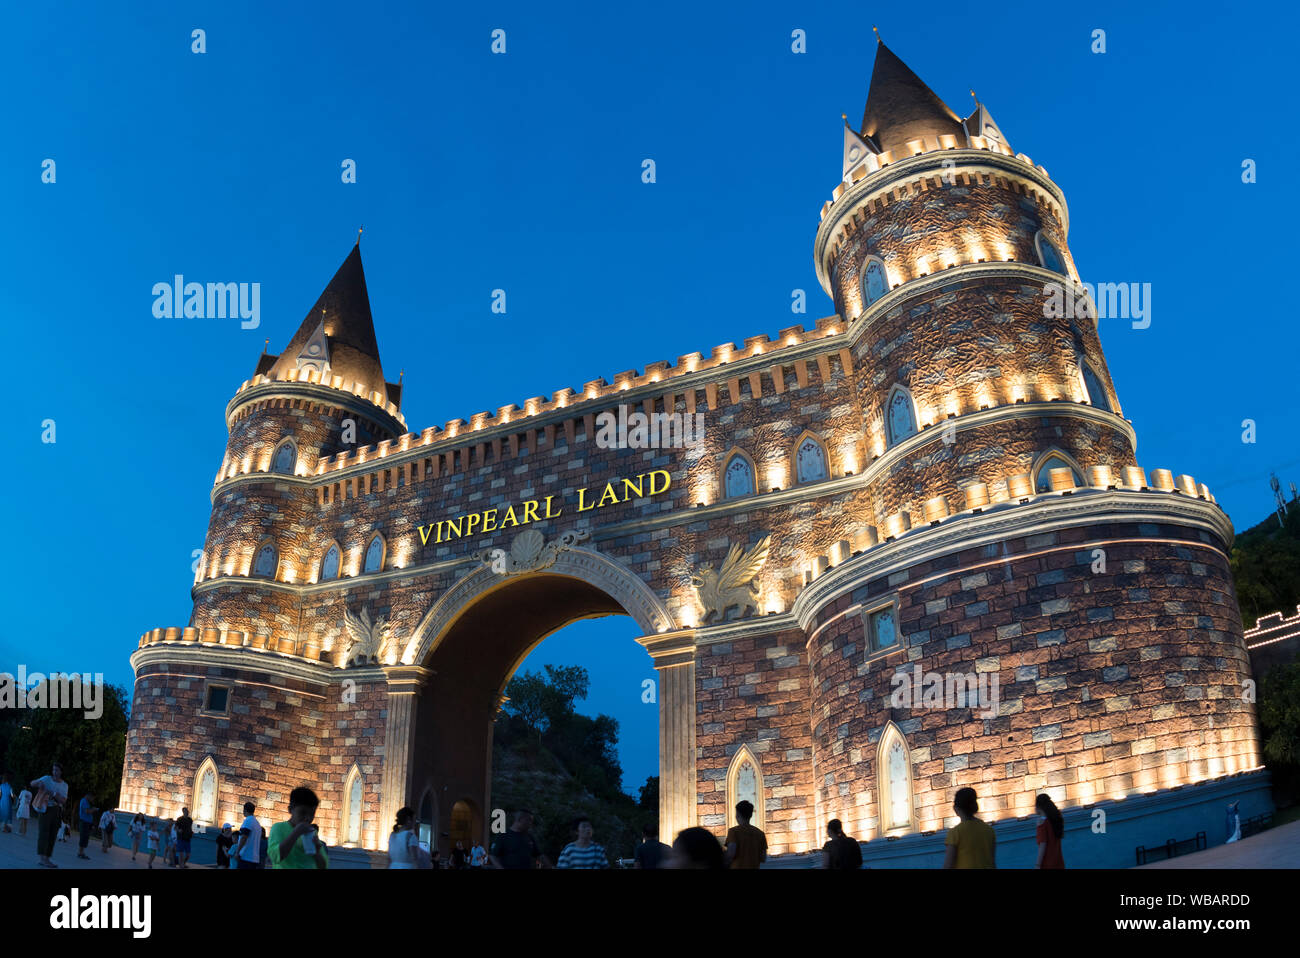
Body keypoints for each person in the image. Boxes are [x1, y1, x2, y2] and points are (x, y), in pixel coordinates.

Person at [267, 787, 329, 869]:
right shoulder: (278, 828)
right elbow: (275, 857)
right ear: (290, 809)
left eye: (312, 814)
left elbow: (323, 866)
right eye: (302, 812)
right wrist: (296, 833)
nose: (307, 818)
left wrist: (317, 852)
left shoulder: (312, 832)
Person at [943, 787, 995, 869]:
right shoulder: (989, 830)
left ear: (956, 809)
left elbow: (948, 865)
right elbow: (992, 862)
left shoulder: (955, 833)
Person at [31, 762, 69, 868]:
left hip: (56, 810)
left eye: (57, 770)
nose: (55, 772)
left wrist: (53, 793)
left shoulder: (64, 785)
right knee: (44, 833)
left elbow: (63, 800)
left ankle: (47, 858)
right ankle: (42, 859)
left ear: (61, 772)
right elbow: (32, 783)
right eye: (53, 770)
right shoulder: (47, 778)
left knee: (53, 835)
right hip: (45, 809)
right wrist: (39, 783)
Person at [723, 801, 767, 869]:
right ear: (751, 815)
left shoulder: (733, 832)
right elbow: (763, 858)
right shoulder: (760, 834)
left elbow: (731, 854)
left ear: (737, 815)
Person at [1035, 794, 1065, 869]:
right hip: (1058, 861)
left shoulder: (1042, 824)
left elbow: (1042, 846)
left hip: (1047, 863)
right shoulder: (1055, 819)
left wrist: (1037, 865)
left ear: (1038, 807)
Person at [236, 802, 263, 870]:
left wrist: (237, 852)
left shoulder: (248, 821)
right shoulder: (257, 824)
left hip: (246, 857)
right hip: (254, 858)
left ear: (244, 810)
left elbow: (244, 837)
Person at [76, 792, 97, 860]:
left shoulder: (86, 802)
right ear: (89, 796)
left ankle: (82, 852)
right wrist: (94, 809)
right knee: (83, 837)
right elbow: (87, 811)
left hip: (87, 822)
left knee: (85, 837)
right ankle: (80, 852)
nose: (92, 800)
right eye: (92, 798)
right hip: (84, 822)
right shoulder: (84, 801)